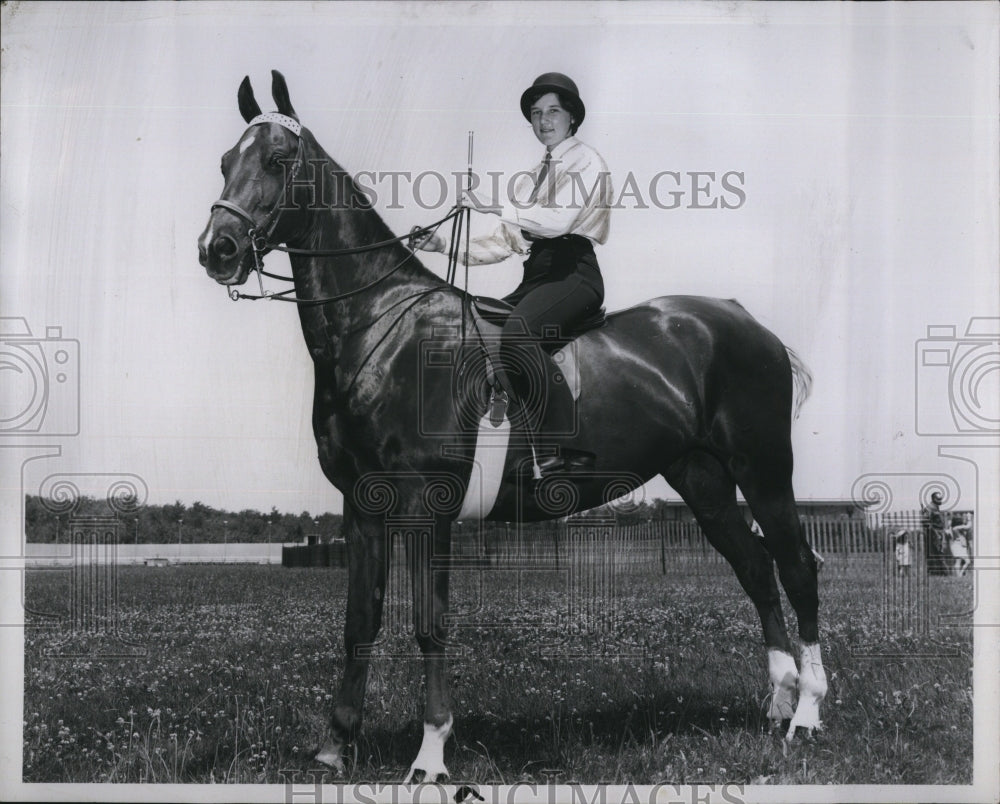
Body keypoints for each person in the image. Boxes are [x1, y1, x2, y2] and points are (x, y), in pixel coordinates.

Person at [414, 72, 613, 477]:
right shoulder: (531, 177)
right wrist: (443, 245)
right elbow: (504, 241)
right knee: (474, 330)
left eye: (553, 111)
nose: (544, 121)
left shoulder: (586, 160)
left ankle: (564, 446)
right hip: (538, 275)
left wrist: (492, 205)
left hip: (573, 273)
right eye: (537, 114)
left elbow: (558, 222)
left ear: (572, 117)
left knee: (519, 333)